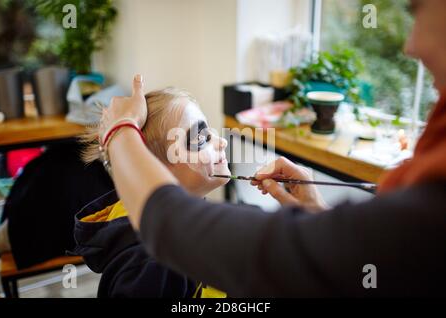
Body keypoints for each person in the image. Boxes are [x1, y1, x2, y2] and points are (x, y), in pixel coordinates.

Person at [96, 0, 446, 296]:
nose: (409, 46)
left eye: (418, 9)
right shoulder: (146, 267)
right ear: (156, 166)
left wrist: (121, 133)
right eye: (200, 138)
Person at [74, 88, 228, 298]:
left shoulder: (187, 222)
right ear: (155, 169)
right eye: (201, 139)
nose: (222, 142)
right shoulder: (153, 264)